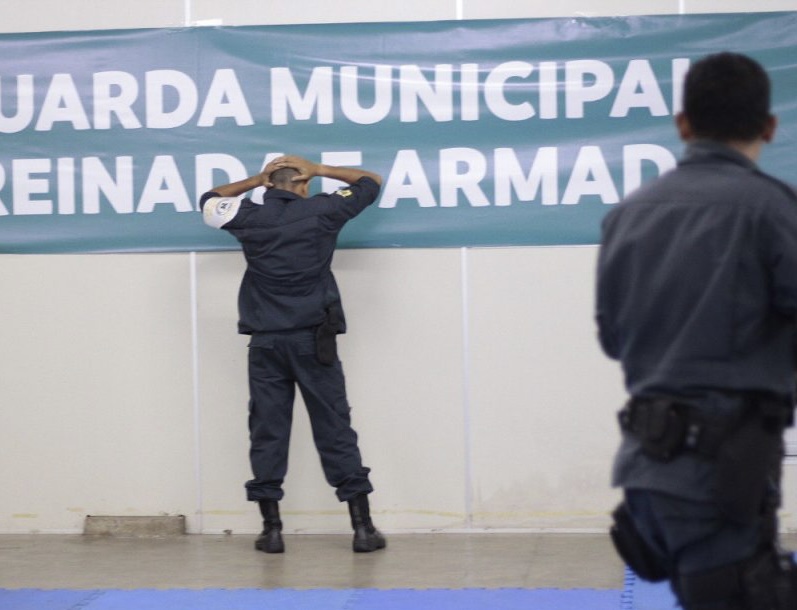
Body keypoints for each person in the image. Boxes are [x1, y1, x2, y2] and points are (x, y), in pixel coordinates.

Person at [596, 52, 797, 609]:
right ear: (769, 126)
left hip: (646, 473)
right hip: (722, 475)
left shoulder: (628, 214)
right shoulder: (771, 209)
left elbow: (612, 339)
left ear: (683, 124)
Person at [199, 154, 386, 554]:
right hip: (312, 343)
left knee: (268, 430)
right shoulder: (323, 211)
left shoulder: (248, 217)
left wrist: (255, 180)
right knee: (334, 428)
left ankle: (271, 531)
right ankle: (363, 529)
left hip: (266, 344)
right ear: (303, 183)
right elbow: (370, 181)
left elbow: (209, 199)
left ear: (269, 185)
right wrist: (319, 169)